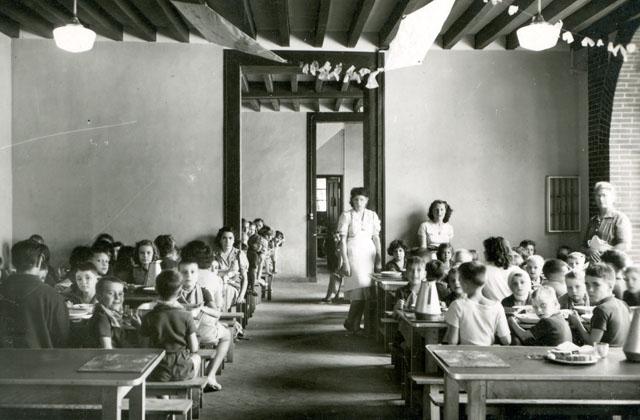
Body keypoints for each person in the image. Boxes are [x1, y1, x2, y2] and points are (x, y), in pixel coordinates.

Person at [0, 240, 69, 348]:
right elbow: (62, 338)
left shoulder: (3, 289)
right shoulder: (52, 297)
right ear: (40, 259)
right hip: (41, 362)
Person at [139, 270, 202, 383]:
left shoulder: (149, 316)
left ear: (156, 290)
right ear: (180, 292)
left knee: (157, 372)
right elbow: (194, 348)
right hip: (181, 367)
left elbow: (144, 347)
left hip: (158, 368)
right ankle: (187, 389)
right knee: (197, 358)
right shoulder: (186, 316)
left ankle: (163, 397)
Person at [177, 258, 230, 391]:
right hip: (190, 334)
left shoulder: (202, 291)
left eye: (192, 272)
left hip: (182, 333)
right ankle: (210, 374)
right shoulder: (177, 292)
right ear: (178, 275)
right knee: (227, 335)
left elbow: (216, 313)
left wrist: (201, 309)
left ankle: (210, 375)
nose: (188, 275)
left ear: (197, 275)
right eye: (184, 272)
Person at [339, 187, 382, 334]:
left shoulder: (372, 215)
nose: (359, 202)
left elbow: (376, 238)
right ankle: (350, 321)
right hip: (353, 254)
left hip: (368, 254)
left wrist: (379, 259)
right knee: (358, 291)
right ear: (352, 200)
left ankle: (355, 326)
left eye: (362, 199)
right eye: (356, 199)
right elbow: (342, 240)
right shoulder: (347, 215)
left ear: (366, 201)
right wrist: (345, 261)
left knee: (366, 292)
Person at [444, 261, 511, 346]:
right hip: (489, 356)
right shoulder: (497, 307)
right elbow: (506, 340)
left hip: (465, 356)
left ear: (464, 282)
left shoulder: (457, 305)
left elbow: (452, 342)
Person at [568, 263, 631, 346]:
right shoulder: (623, 304)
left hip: (606, 356)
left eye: (596, 285)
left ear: (610, 286)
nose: (590, 290)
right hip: (620, 354)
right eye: (587, 284)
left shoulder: (601, 309)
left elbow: (592, 343)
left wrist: (577, 323)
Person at [584, 182, 632, 262]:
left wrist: (605, 254)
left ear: (613, 198)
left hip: (611, 264)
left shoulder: (619, 218)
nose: (601, 199)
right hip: (594, 265)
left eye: (604, 195)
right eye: (598, 195)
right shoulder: (593, 220)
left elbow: (625, 245)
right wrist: (589, 251)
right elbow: (583, 245)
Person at [86, 276, 128, 349]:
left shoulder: (111, 314)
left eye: (120, 294)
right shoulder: (102, 318)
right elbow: (107, 349)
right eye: (111, 293)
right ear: (99, 297)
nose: (117, 297)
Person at [213, 227, 249, 310]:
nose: (227, 241)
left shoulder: (239, 254)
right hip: (218, 285)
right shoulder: (214, 254)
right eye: (224, 238)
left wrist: (241, 296)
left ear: (233, 240)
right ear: (220, 240)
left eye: (230, 238)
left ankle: (221, 316)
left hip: (233, 286)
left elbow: (245, 278)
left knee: (227, 291)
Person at [481, 236, 514, 302]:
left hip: (493, 309)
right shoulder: (517, 270)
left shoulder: (482, 271)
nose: (483, 252)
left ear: (488, 252)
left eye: (485, 250)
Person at [322, 231, 343, 303]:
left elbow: (341, 258)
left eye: (337, 237)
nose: (335, 239)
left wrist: (338, 268)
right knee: (333, 279)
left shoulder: (341, 245)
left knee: (335, 280)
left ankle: (330, 297)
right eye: (334, 237)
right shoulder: (335, 245)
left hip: (340, 265)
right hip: (335, 264)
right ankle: (331, 296)